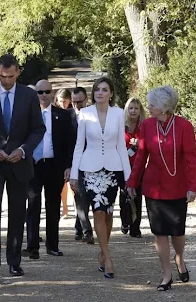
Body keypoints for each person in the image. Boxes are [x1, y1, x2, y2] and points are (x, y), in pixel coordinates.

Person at [0, 54, 45, 284]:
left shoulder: (29, 95)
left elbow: (38, 130)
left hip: (19, 163)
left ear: (18, 72)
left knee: (17, 212)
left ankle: (14, 262)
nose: (7, 81)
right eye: (3, 77)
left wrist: (23, 150)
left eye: (11, 77)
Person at [126, 86, 196, 291]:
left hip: (177, 186)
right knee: (159, 232)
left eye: (152, 104)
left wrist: (193, 186)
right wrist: (132, 181)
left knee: (177, 232)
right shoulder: (147, 125)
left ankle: (180, 259)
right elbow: (141, 156)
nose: (148, 107)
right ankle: (166, 275)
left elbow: (192, 158)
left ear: (164, 106)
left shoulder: (184, 126)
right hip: (153, 188)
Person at [70, 77, 131, 279]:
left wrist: (128, 176)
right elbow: (79, 145)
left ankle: (102, 251)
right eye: (97, 89)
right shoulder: (85, 114)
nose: (100, 93)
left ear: (111, 93)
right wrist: (74, 175)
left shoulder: (118, 113)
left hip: (113, 169)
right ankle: (108, 257)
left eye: (104, 90)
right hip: (90, 169)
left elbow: (122, 146)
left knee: (108, 213)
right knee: (97, 212)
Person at [22, 80, 76, 259]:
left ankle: (52, 245)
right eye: (40, 92)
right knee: (33, 204)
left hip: (54, 166)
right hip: (33, 166)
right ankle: (32, 246)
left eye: (47, 91)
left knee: (53, 205)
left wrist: (69, 166)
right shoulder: (27, 115)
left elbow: (70, 143)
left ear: (52, 93)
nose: (43, 95)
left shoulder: (63, 115)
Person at [119, 97, 146, 238]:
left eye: (136, 108)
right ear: (127, 110)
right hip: (123, 166)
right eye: (131, 108)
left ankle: (136, 227)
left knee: (137, 196)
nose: (133, 111)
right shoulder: (121, 126)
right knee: (124, 196)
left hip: (139, 166)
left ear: (140, 110)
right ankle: (125, 221)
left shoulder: (144, 127)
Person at [70, 86, 94, 244]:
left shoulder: (94, 115)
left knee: (87, 196)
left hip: (92, 160)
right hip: (74, 162)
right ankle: (87, 231)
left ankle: (79, 227)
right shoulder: (67, 117)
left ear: (86, 99)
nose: (77, 104)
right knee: (80, 194)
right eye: (74, 102)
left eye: (80, 101)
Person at [55, 88, 77, 219]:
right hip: (59, 152)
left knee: (73, 182)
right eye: (61, 101)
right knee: (62, 183)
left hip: (72, 149)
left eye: (65, 101)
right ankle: (64, 208)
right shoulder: (54, 113)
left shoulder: (73, 113)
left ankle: (75, 207)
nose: (63, 104)